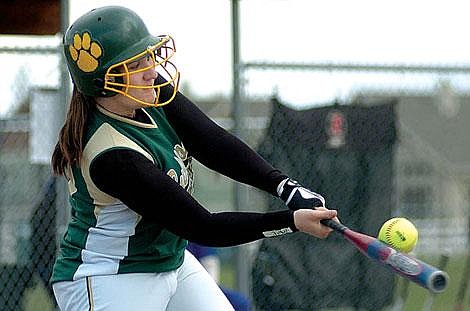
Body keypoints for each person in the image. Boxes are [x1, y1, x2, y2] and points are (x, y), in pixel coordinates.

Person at [49, 6, 339, 311]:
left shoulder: (148, 91)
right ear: (103, 81)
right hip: (111, 276)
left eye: (148, 56)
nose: (150, 70)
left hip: (169, 261)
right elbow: (203, 226)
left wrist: (285, 187)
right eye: (134, 64)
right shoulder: (113, 156)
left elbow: (211, 143)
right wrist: (291, 221)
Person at [187, 242, 252, 311]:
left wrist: (209, 292)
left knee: (240, 302)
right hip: (183, 285)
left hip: (201, 284)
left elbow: (210, 266)